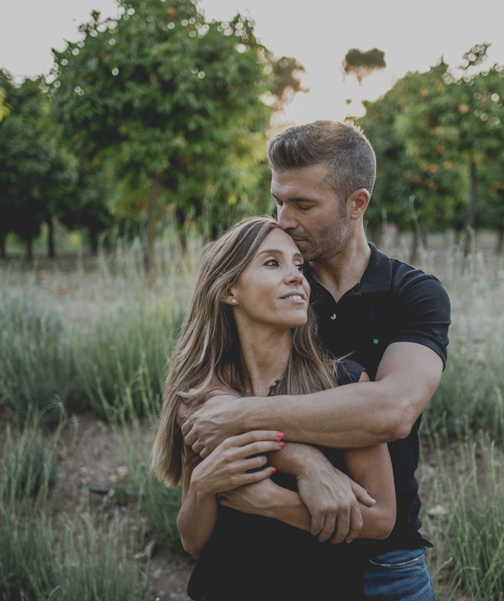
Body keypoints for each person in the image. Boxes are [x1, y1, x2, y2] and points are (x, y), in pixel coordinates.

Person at [181, 120, 452, 601]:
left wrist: (244, 417)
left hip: (386, 559)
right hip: (278, 554)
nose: (284, 219)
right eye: (278, 201)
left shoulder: (413, 294)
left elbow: (391, 411)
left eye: (303, 205)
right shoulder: (271, 295)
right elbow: (201, 404)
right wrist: (307, 462)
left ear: (357, 203)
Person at [152, 216, 397, 601]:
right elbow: (194, 542)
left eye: (299, 265)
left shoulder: (343, 385)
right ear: (230, 289)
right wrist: (202, 487)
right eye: (272, 263)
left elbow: (381, 520)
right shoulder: (206, 399)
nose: (297, 276)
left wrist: (275, 504)